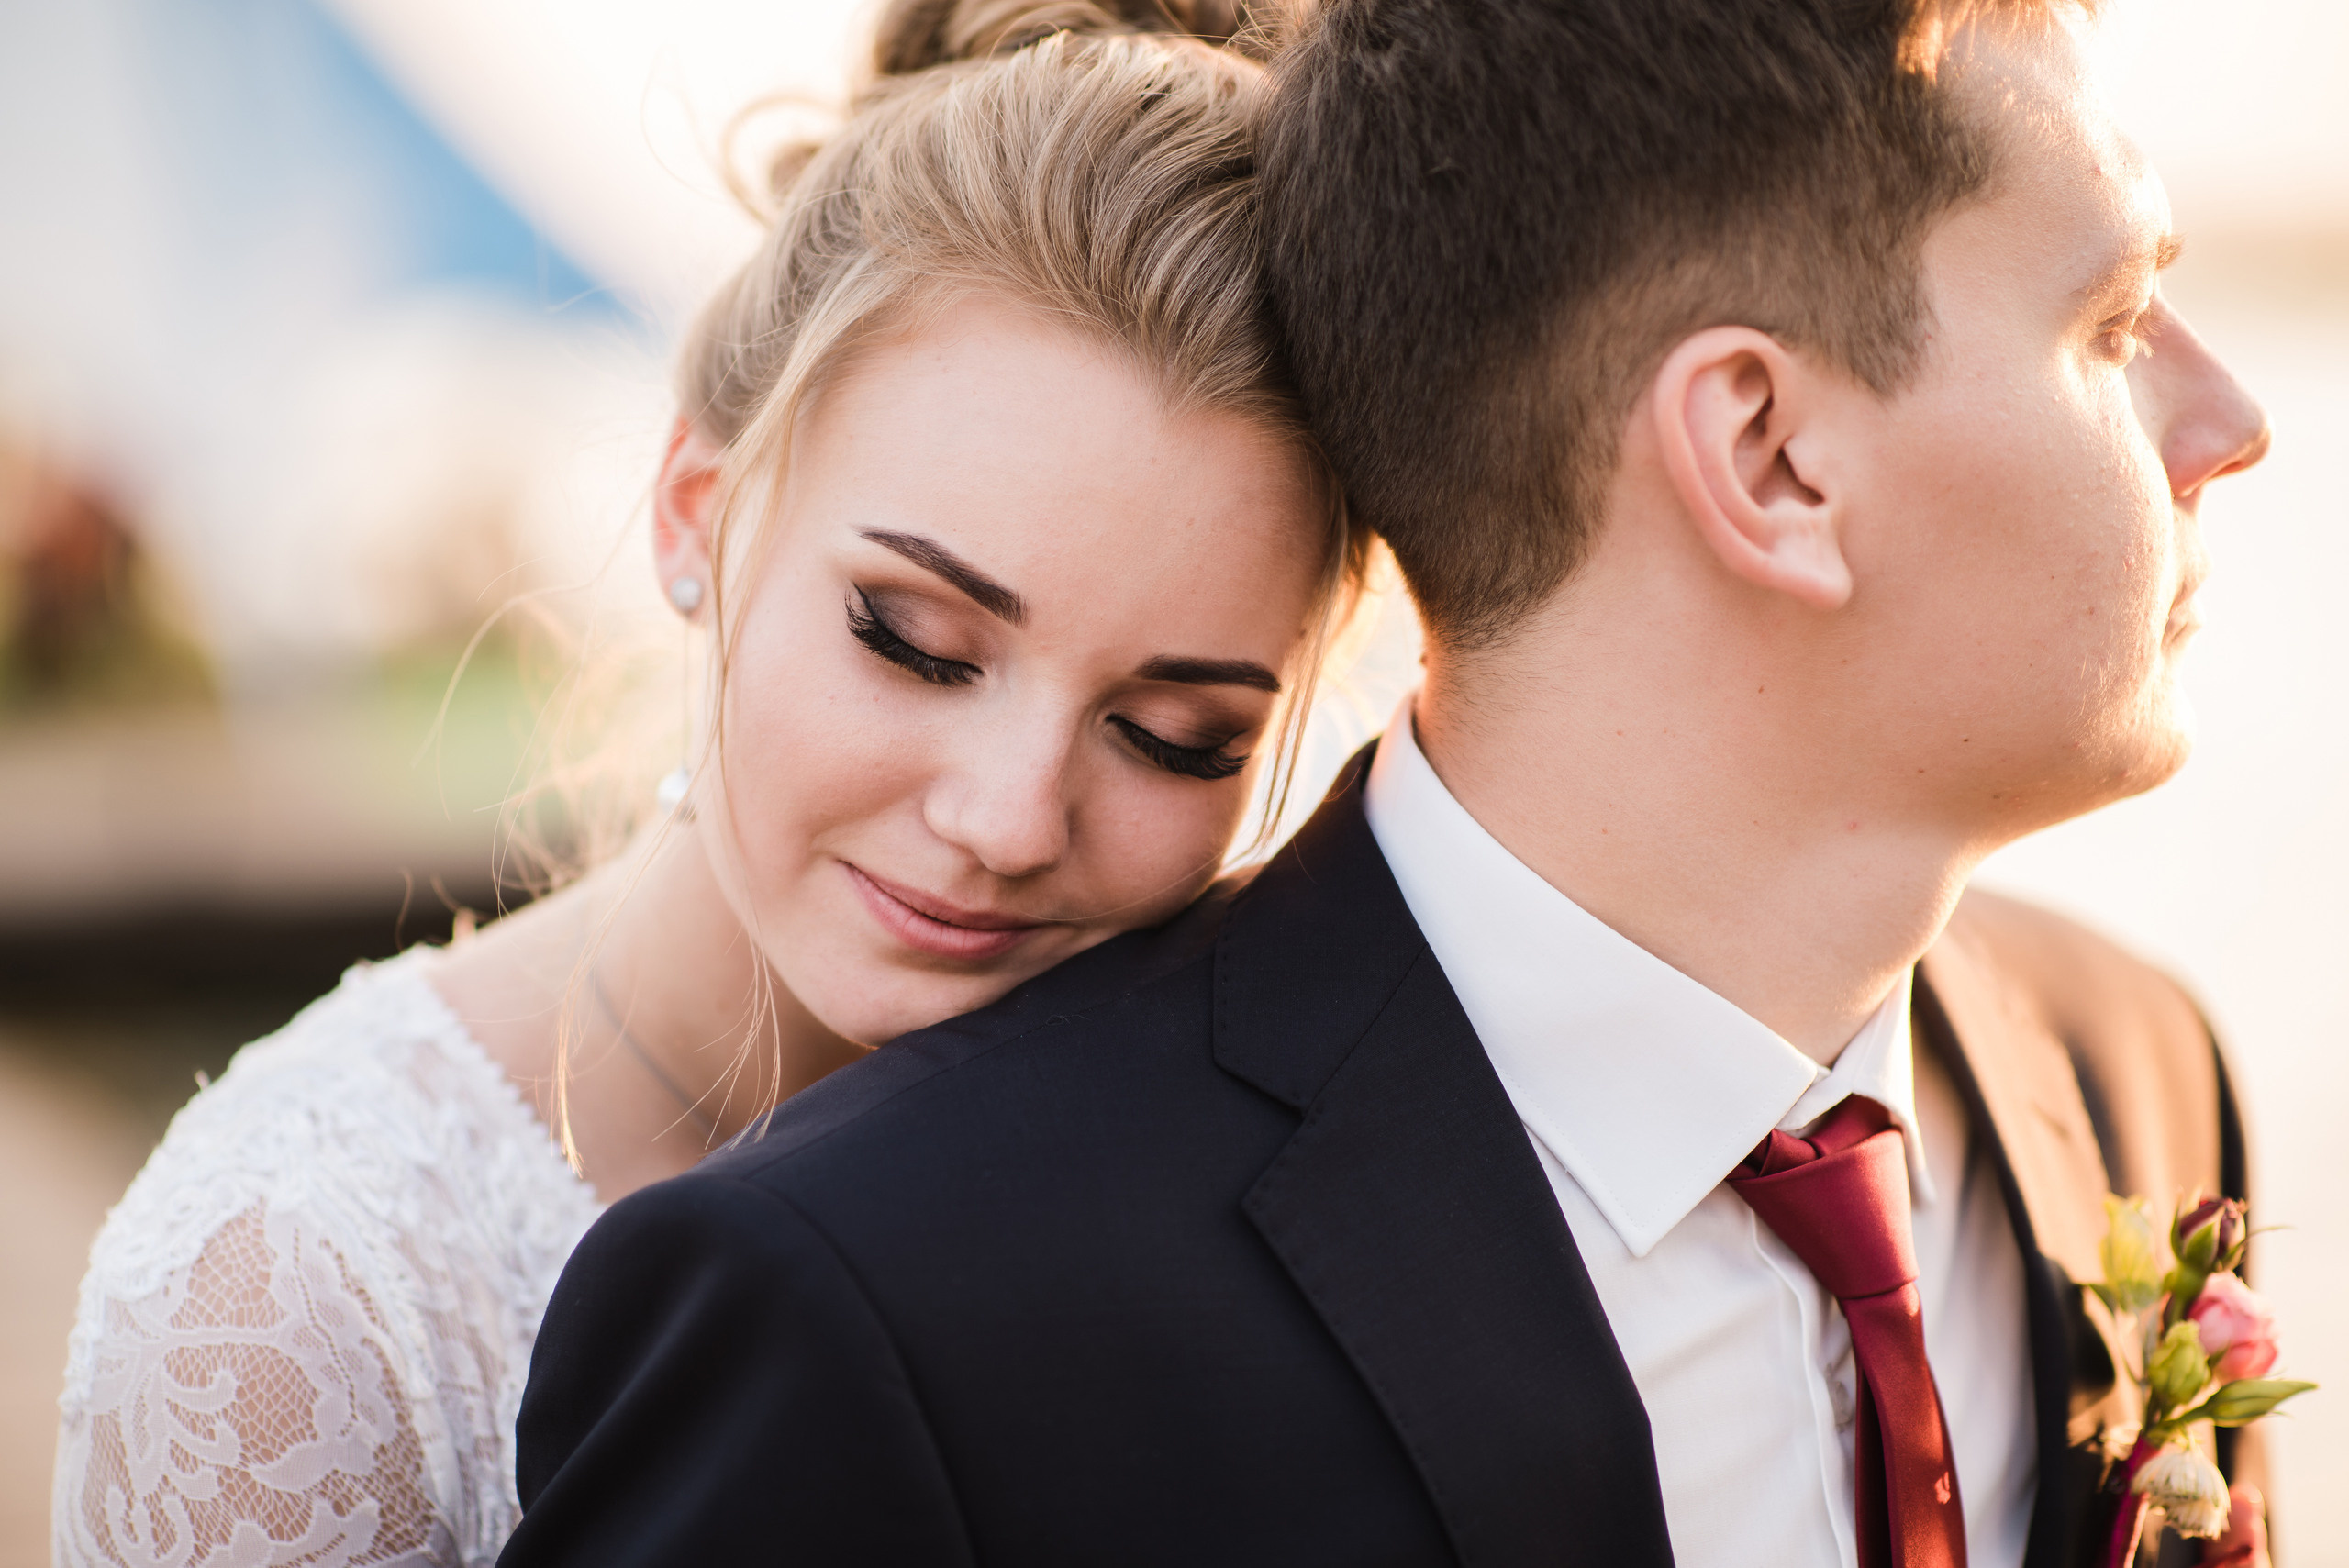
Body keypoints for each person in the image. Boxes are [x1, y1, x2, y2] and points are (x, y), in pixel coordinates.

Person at [499, 0, 2280, 1564]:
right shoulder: (878, 1314)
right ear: (1762, 452)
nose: (2225, 421)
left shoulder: (2126, 1069)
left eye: (1180, 729)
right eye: (2115, 322)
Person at [50, 4, 1366, 1562]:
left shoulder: (1301, 1207)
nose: (1009, 821)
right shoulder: (293, 1298)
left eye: (1173, 735)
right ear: (696, 512)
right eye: (917, 641)